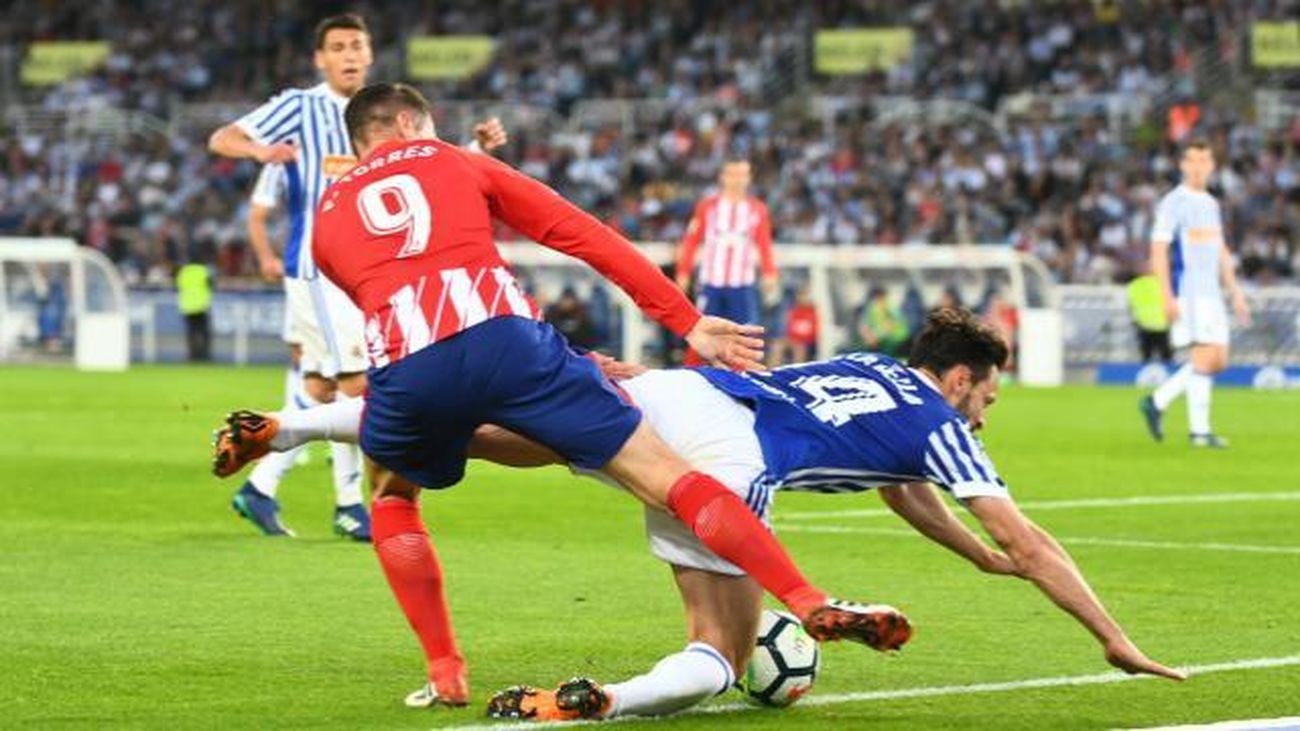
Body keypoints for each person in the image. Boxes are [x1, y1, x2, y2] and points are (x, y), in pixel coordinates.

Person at [227, 81, 912, 709]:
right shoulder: (455, 161)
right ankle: (807, 595)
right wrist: (685, 319)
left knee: (395, 498)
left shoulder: (324, 217)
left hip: (409, 365)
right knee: (669, 478)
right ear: (411, 123)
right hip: (507, 338)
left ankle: (446, 669)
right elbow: (580, 233)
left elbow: (381, 303)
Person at [213, 309, 1185, 721]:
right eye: (987, 394)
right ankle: (601, 700)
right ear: (963, 377)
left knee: (497, 432)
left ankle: (291, 424)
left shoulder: (874, 367)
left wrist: (972, 559)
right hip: (728, 458)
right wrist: (1112, 635)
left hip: (676, 391)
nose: (985, 411)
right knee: (718, 653)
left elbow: (900, 490)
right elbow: (1031, 536)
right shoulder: (944, 425)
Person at [207, 13, 508, 540]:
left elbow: (429, 167)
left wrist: (477, 150)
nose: (348, 55)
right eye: (338, 47)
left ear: (370, 54)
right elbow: (223, 137)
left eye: (356, 46)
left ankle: (261, 486)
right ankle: (351, 506)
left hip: (370, 268)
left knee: (321, 386)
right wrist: (259, 150)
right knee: (356, 383)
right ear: (320, 59)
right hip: (322, 268)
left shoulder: (386, 112)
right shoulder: (300, 106)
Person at [1139, 139, 1251, 448]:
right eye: (1193, 160)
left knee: (1217, 360)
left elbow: (1221, 251)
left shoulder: (1211, 203)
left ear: (1212, 165)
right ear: (1183, 165)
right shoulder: (1174, 202)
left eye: (1204, 160)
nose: (1199, 166)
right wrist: (1166, 295)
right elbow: (1159, 249)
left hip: (1212, 294)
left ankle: (1159, 401)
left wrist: (1236, 293)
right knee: (1205, 355)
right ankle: (1199, 432)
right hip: (1188, 292)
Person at [675, 158, 776, 364]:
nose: (737, 180)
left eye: (742, 175)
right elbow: (691, 240)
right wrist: (683, 272)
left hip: (742, 284)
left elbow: (764, 242)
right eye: (732, 174)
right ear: (723, 177)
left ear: (749, 178)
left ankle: (746, 381)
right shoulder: (708, 207)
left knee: (747, 336)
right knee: (701, 333)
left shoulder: (757, 209)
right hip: (712, 283)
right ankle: (690, 376)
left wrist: (769, 272)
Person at [1126, 268, 1172, 363]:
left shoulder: (1134, 285)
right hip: (1162, 324)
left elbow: (1131, 305)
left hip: (1144, 324)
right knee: (1166, 356)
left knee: (1146, 355)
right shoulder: (1163, 284)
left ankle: (1146, 374)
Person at [853, 287, 910, 357]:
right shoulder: (872, 308)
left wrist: (876, 337)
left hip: (896, 338)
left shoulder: (890, 307)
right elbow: (864, 325)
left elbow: (890, 325)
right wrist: (868, 337)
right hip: (878, 338)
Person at [175, 257, 212, 362]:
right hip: (201, 306)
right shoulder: (203, 270)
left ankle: (192, 355)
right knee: (203, 332)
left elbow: (178, 285)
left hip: (187, 306)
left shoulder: (184, 271)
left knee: (191, 332)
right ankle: (204, 355)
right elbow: (211, 284)